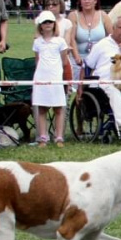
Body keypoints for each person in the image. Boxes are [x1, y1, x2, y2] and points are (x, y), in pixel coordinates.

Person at [32, 11, 69, 148]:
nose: (47, 25)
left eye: (50, 22)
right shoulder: (37, 42)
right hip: (41, 78)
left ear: (54, 24)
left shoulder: (60, 41)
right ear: (40, 26)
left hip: (56, 77)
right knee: (42, 109)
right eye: (44, 22)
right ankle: (43, 137)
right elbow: (37, 60)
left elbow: (64, 61)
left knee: (59, 108)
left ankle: (59, 137)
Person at [68, 0, 112, 82]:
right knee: (77, 86)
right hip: (80, 58)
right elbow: (71, 39)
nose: (86, 1)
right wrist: (76, 57)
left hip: (99, 58)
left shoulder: (103, 15)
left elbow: (111, 37)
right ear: (80, 1)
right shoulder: (73, 15)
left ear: (95, 1)